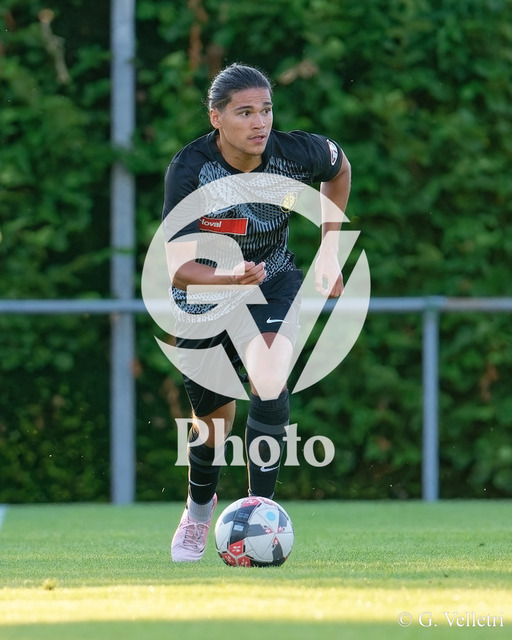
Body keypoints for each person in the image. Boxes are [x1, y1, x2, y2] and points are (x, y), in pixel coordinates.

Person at [162, 63, 351, 562]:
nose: (259, 122)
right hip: (204, 294)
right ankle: (198, 511)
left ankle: (259, 513)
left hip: (273, 280)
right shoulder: (191, 170)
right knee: (212, 427)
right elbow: (178, 270)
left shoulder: (294, 153)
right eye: (244, 112)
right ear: (216, 118)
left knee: (268, 379)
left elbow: (339, 169)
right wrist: (228, 278)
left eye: (266, 110)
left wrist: (329, 249)